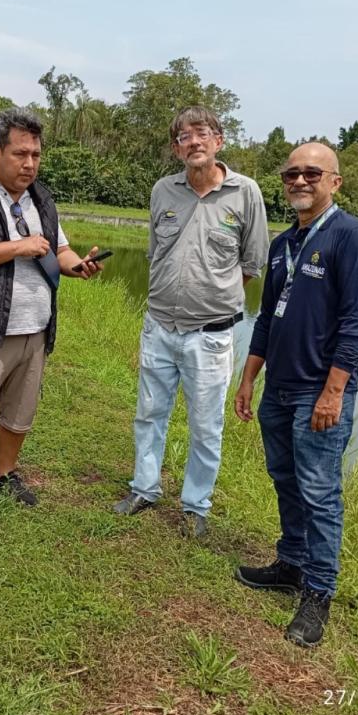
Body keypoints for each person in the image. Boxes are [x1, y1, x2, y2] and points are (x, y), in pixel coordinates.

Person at [233, 142, 358, 648]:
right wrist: (249, 378)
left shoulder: (350, 236)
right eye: (291, 173)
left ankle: (318, 593)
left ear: (334, 181)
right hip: (279, 388)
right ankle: (291, 563)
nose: (299, 181)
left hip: (320, 390)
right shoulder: (281, 245)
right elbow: (267, 318)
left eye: (312, 173)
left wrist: (333, 391)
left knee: (320, 491)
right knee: (285, 478)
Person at [112, 106, 269, 539]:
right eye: (185, 136)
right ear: (175, 147)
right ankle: (144, 488)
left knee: (205, 425)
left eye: (203, 133)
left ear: (219, 140)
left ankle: (195, 505)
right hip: (159, 325)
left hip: (211, 335)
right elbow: (155, 252)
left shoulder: (245, 193)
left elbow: (253, 262)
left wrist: (212, 296)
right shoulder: (163, 190)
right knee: (149, 414)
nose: (194, 142)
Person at [0, 107, 102, 521]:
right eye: (20, 154)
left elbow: (57, 249)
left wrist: (77, 265)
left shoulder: (41, 199)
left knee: (19, 411)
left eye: (35, 155)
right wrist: (18, 246)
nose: (29, 164)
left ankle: (3, 473)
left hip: (35, 327)